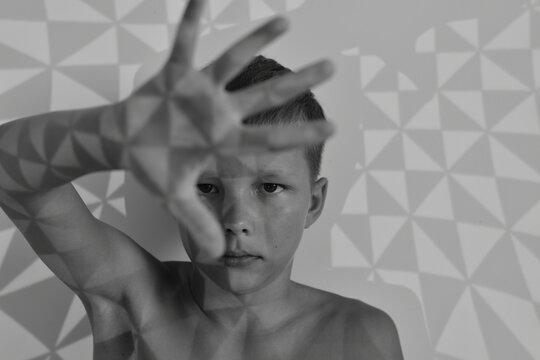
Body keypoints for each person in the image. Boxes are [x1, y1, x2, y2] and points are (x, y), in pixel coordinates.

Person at [0, 0, 403, 358]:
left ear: (313, 203)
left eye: (269, 187)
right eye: (206, 187)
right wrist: (110, 134)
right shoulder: (130, 298)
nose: (235, 219)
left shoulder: (360, 336)